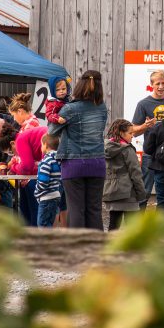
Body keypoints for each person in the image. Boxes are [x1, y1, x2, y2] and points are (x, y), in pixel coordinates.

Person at [51, 70, 108, 230]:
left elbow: (52, 132)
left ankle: (77, 244)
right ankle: (96, 243)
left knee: (76, 209)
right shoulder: (102, 108)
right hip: (97, 163)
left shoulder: (70, 108)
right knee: (94, 210)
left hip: (73, 163)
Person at [132, 70, 164, 210]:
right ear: (151, 84)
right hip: (150, 153)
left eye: (163, 83)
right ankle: (139, 221)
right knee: (144, 190)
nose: (161, 87)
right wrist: (145, 126)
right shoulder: (143, 104)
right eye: (158, 84)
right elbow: (133, 132)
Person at [0, 124, 47, 225]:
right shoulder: (23, 137)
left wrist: (13, 168)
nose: (15, 155)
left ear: (12, 143)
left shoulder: (20, 140)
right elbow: (31, 167)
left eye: (11, 152)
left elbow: (27, 166)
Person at [104, 119, 147, 231]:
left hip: (112, 192)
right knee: (132, 228)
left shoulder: (105, 148)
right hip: (129, 194)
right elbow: (135, 173)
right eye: (130, 133)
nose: (132, 136)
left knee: (113, 225)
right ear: (121, 133)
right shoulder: (127, 150)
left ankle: (111, 242)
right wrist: (141, 193)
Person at [35, 133, 63, 227]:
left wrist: (37, 191)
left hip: (46, 197)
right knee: (49, 223)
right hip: (55, 195)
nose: (41, 147)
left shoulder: (46, 161)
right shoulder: (58, 160)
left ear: (46, 145)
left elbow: (43, 182)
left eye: (41, 145)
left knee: (42, 225)